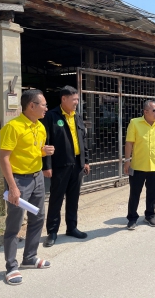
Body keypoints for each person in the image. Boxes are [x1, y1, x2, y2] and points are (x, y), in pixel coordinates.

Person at [0, 89, 55, 285]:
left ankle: (30, 257)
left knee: (38, 218)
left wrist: (43, 152)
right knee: (14, 224)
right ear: (31, 106)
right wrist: (13, 187)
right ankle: (11, 266)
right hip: (19, 181)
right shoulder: (12, 127)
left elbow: (31, 150)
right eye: (44, 105)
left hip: (37, 177)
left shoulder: (40, 127)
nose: (46, 108)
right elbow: (4, 158)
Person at [41, 86, 90, 247]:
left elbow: (83, 140)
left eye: (77, 99)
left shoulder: (77, 116)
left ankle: (72, 227)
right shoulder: (51, 116)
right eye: (74, 99)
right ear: (64, 99)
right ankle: (52, 231)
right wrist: (47, 165)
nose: (77, 102)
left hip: (77, 164)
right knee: (56, 198)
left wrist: (86, 161)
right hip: (60, 164)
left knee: (73, 197)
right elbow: (46, 141)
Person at [124, 100, 155, 230]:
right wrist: (127, 160)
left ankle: (150, 215)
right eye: (154, 110)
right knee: (135, 193)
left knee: (152, 193)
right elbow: (129, 143)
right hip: (138, 165)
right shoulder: (135, 123)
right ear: (145, 112)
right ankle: (132, 218)